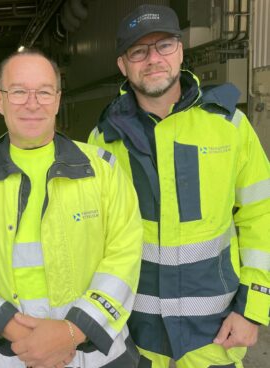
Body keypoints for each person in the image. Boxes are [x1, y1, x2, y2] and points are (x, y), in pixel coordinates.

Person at [0, 48, 143, 368]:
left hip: (94, 356)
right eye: (18, 92)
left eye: (44, 92)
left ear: (58, 100)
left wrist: (72, 332)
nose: (32, 103)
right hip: (2, 356)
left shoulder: (104, 169)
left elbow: (124, 257)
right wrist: (21, 334)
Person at [88, 4, 270, 368]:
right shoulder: (103, 140)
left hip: (215, 329)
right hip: (134, 333)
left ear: (181, 51)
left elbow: (261, 215)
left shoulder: (229, 126)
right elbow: (90, 238)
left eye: (164, 46)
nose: (153, 59)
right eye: (139, 51)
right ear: (123, 65)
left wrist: (254, 309)